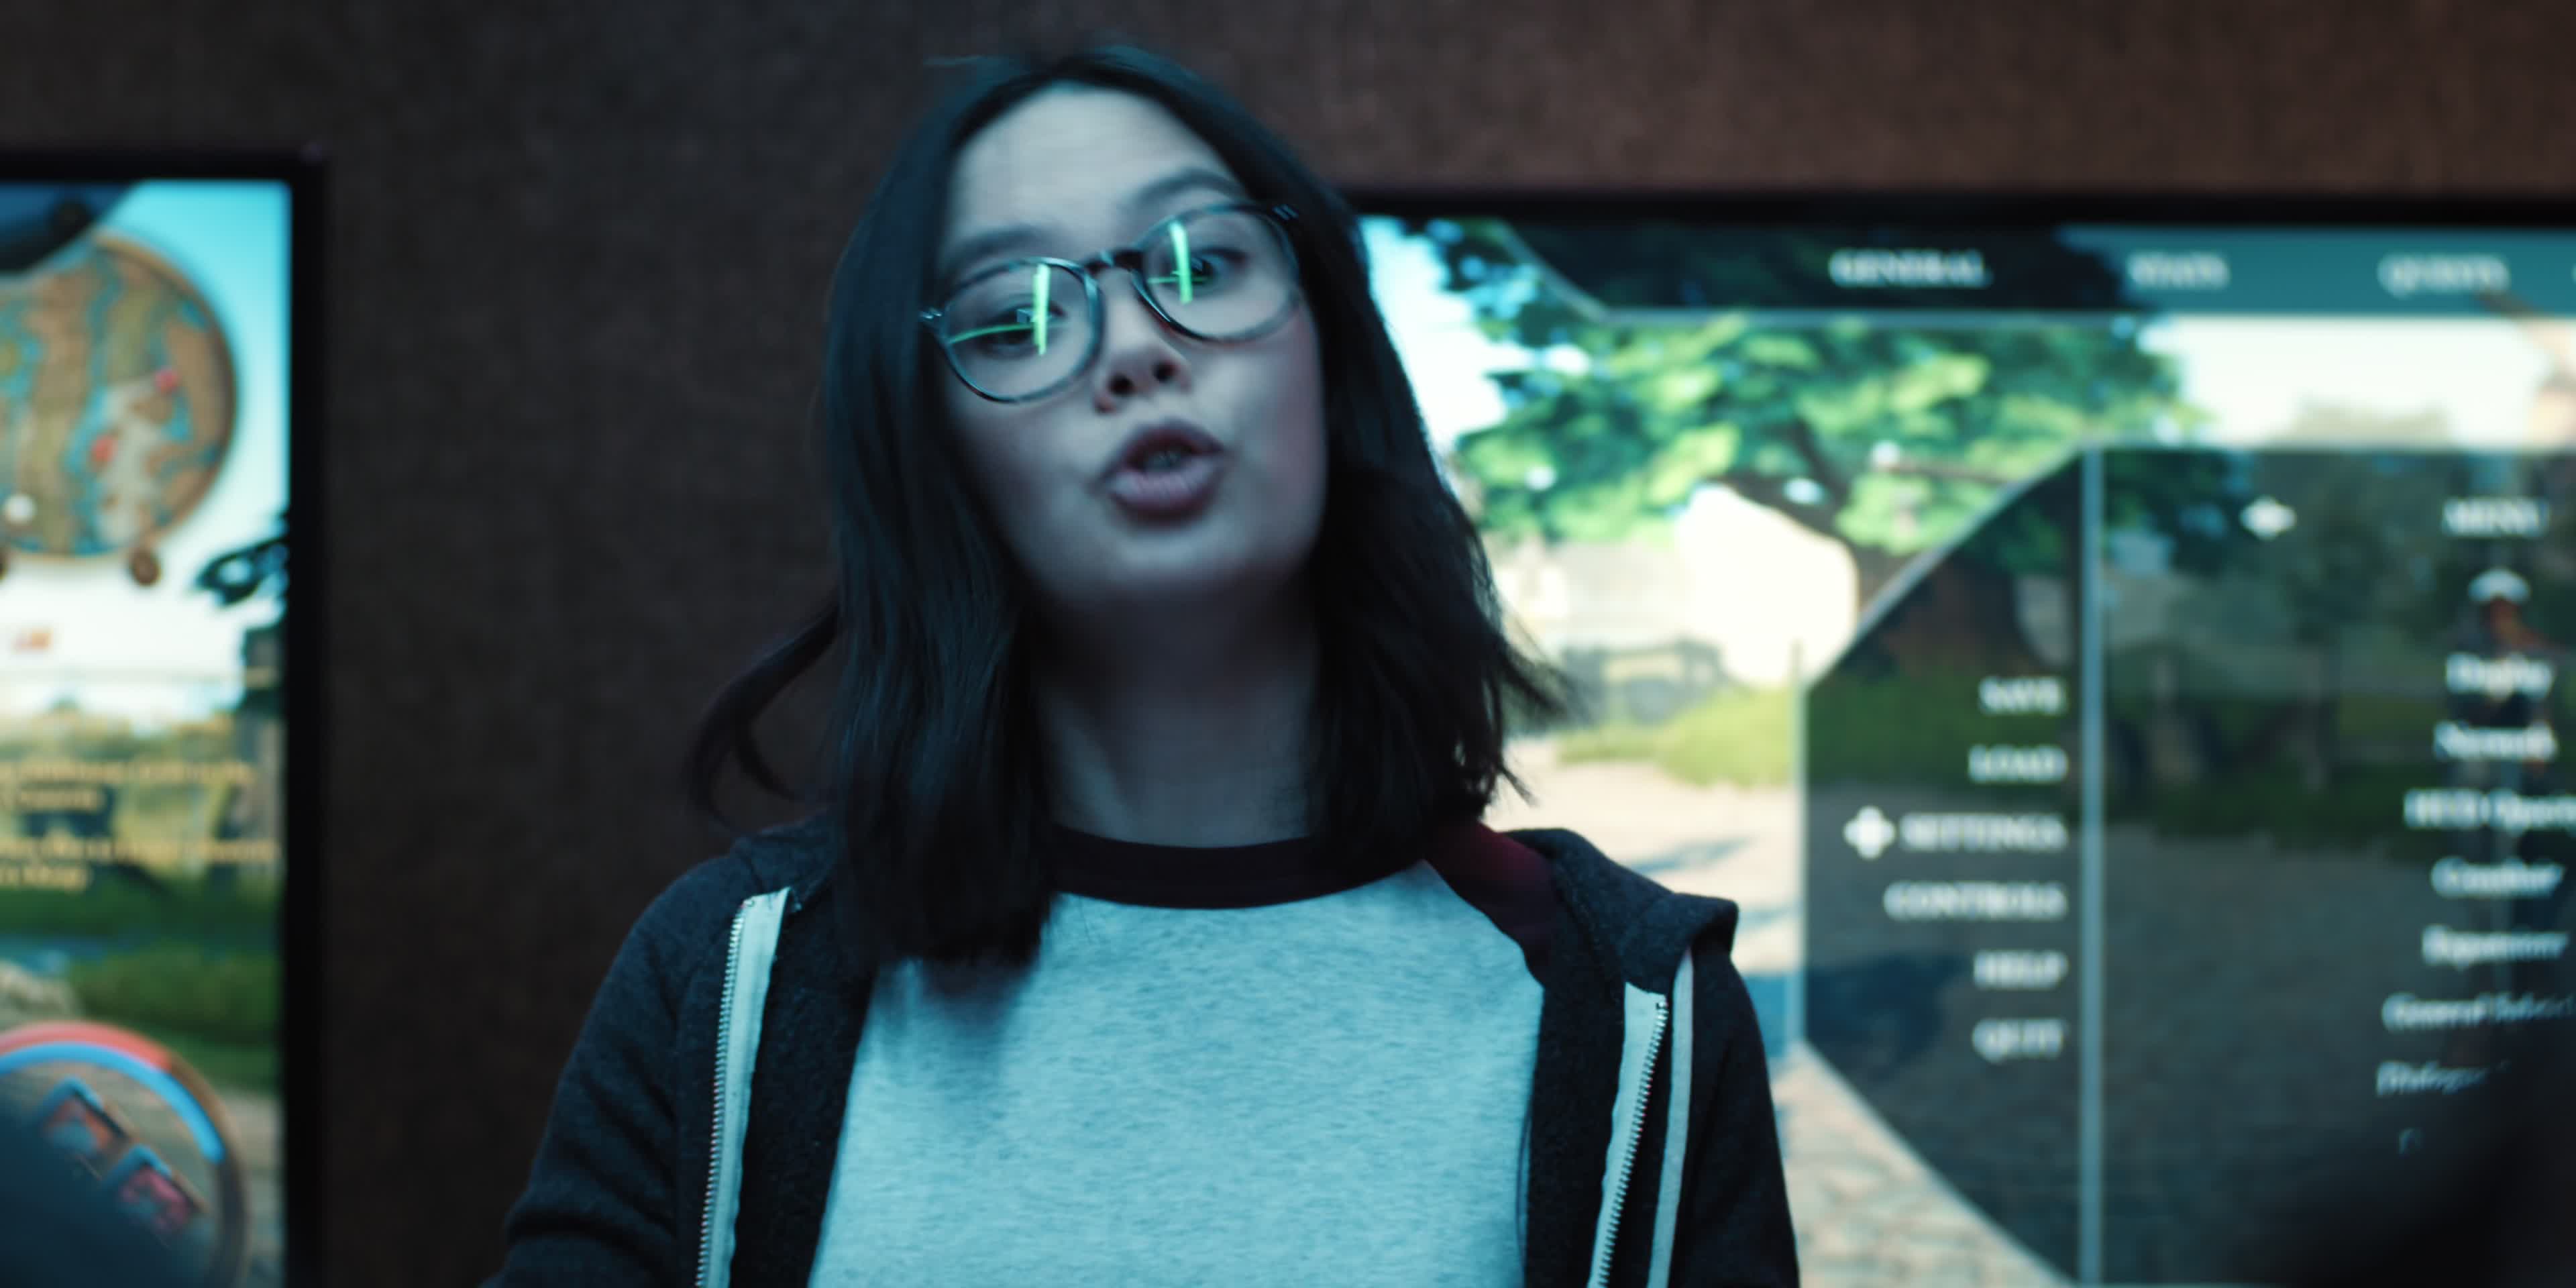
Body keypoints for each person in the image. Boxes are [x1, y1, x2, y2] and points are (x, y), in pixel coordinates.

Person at [488, 43, 1795, 1288]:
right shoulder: (732, 986)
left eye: (1202, 261)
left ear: (1331, 355)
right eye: (1017, 318)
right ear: (935, 457)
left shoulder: (1632, 1014)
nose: (1133, 347)